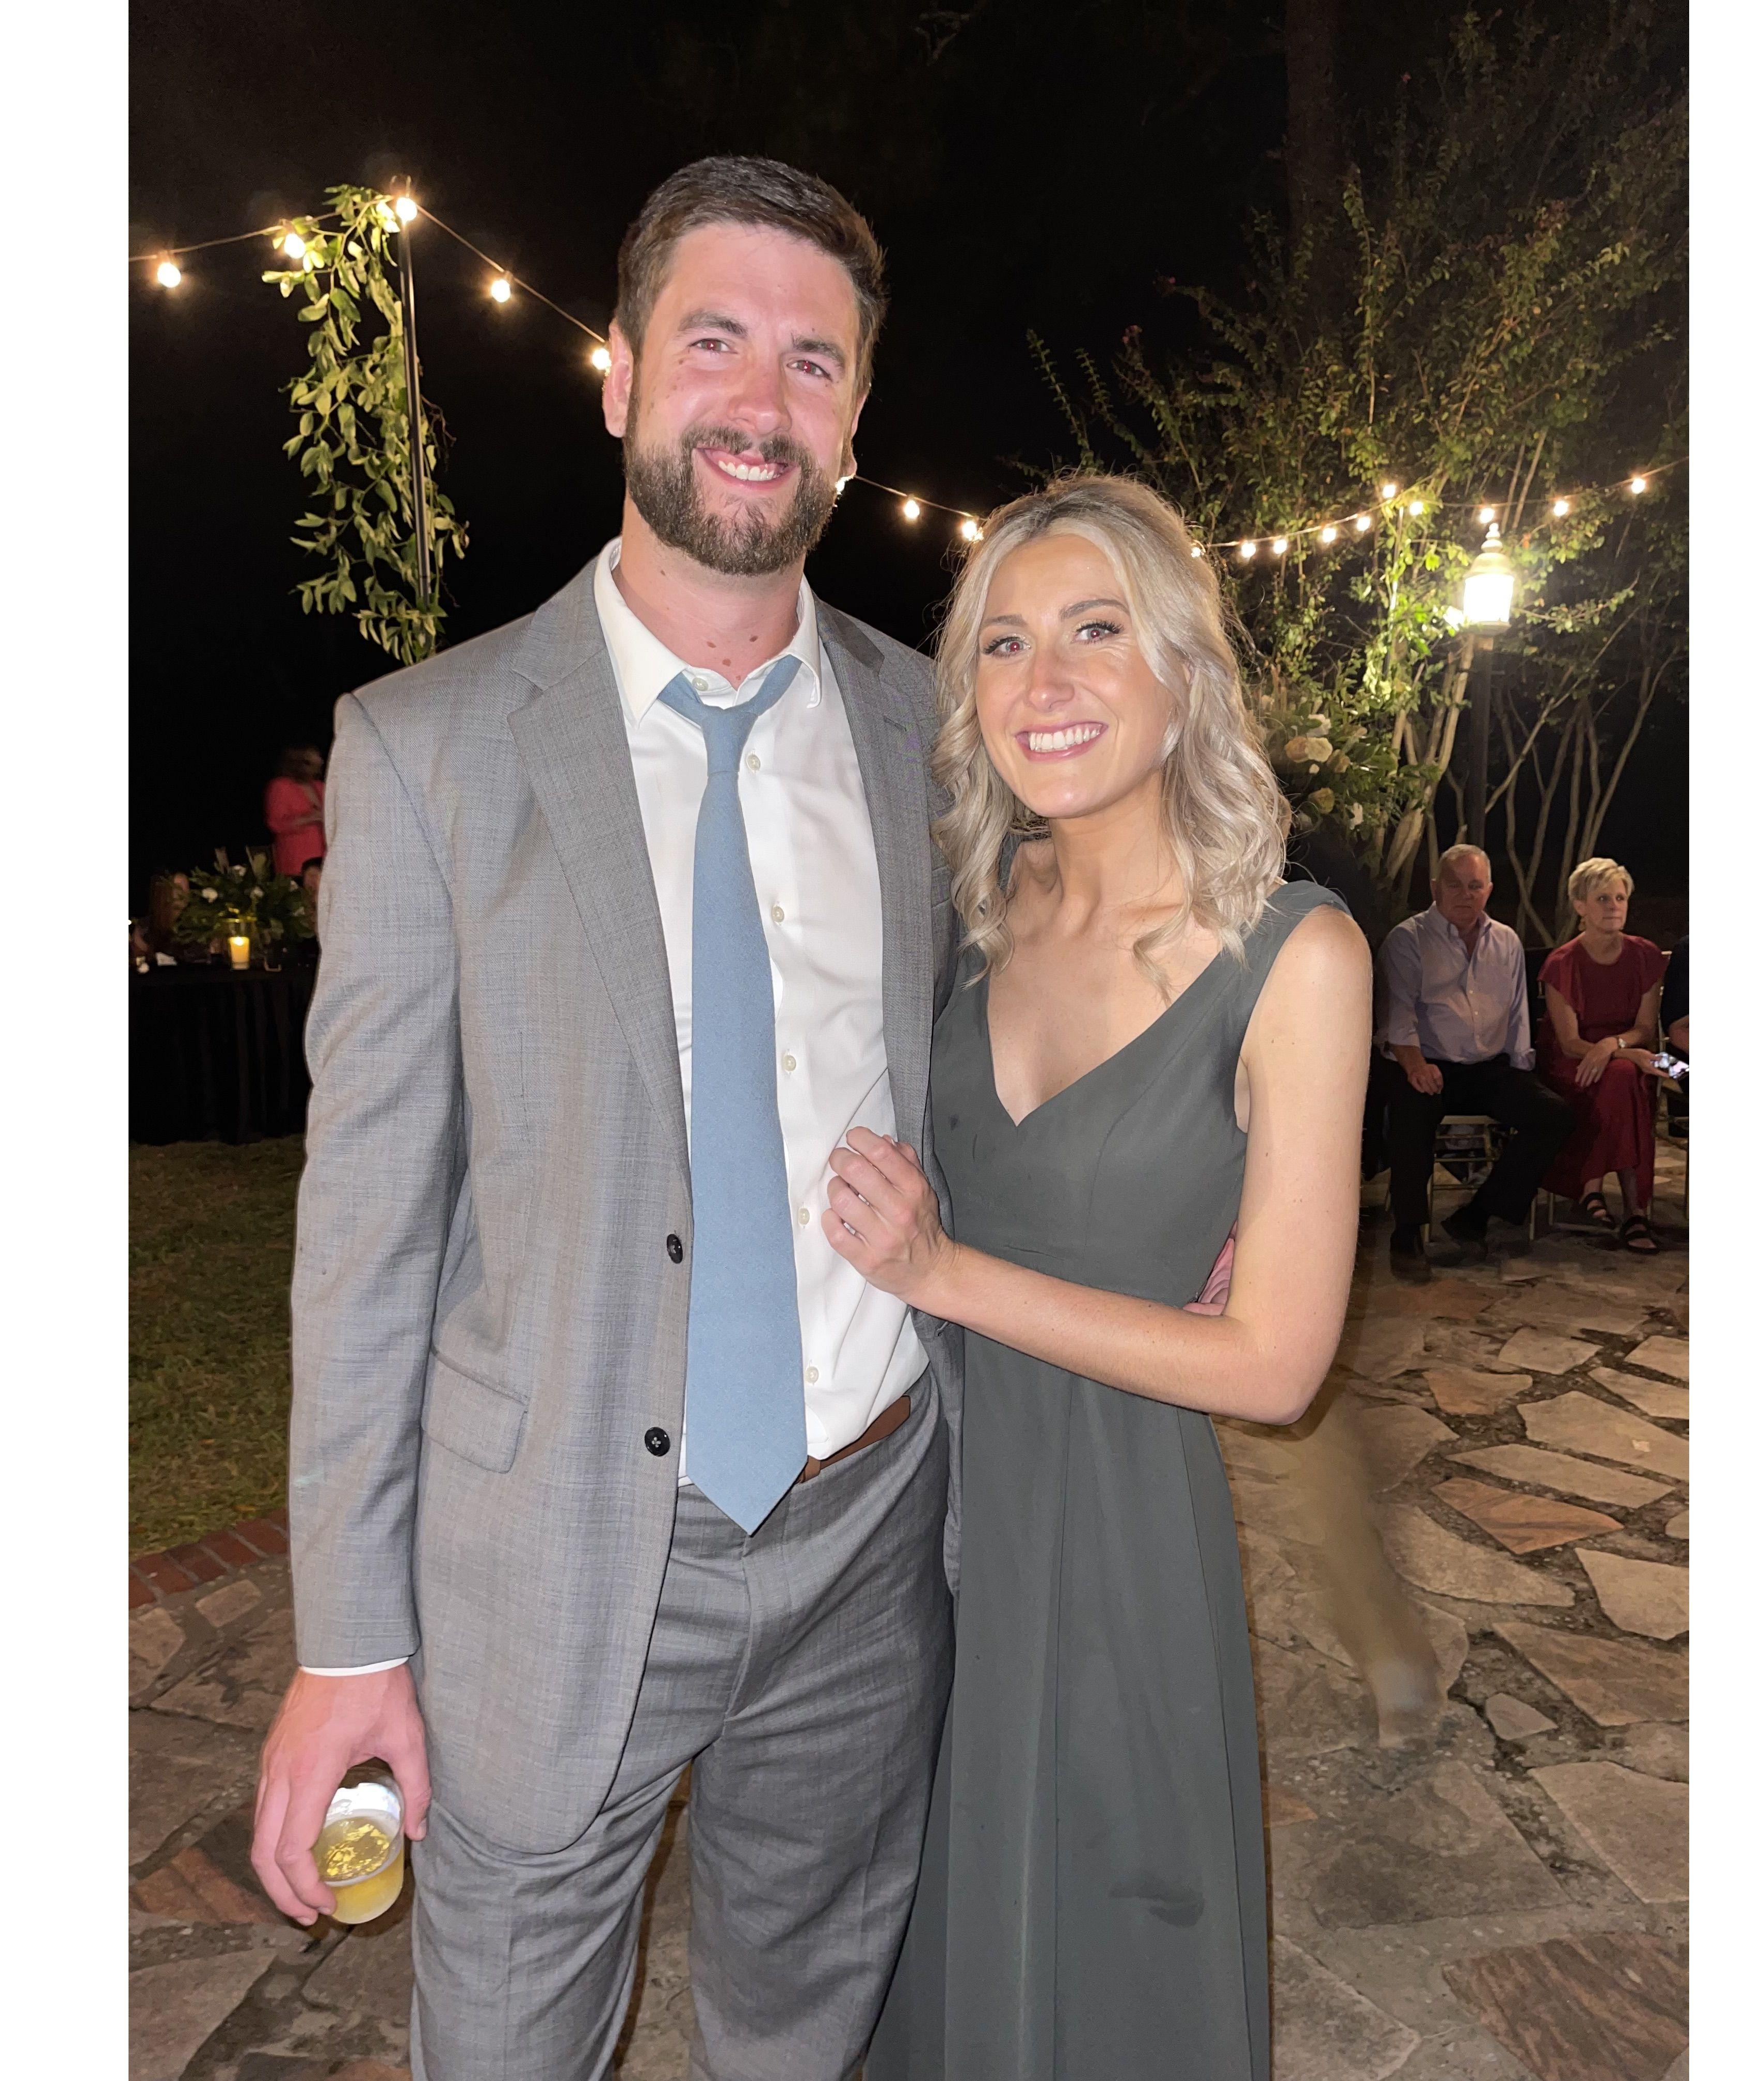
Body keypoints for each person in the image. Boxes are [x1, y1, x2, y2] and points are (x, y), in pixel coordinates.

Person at [252, 158, 964, 2080]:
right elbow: (367, 1230)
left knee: (809, 2035)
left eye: (813, 362)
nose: (761, 400)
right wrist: (347, 1641)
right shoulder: (426, 749)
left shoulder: (933, 736)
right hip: (552, 1546)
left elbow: (1020, 1051)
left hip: (868, 1530)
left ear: (855, 420)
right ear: (621, 375)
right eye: (713, 340)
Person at [828, 476, 1370, 2079]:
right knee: (921, 1944)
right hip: (914, 1525)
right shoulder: (969, 913)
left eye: (1095, 631)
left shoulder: (1295, 954)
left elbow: (1275, 1363)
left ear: (1183, 674)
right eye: (1003, 643)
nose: (1043, 683)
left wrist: (948, 1271)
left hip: (1115, 1536)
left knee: (1112, 1953)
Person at [1373, 843, 1574, 1282]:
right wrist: (1415, 1065)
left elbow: (1519, 1012)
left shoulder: (1507, 941)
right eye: (1455, 885)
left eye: (1475, 886)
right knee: (1410, 1111)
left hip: (1489, 1067)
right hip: (1429, 1064)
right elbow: (1397, 1015)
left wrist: (1523, 1069)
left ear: (1489, 890)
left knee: (1554, 1115)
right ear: (1435, 888)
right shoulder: (1408, 940)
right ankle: (1408, 1233)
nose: (1466, 895)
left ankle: (1476, 1216)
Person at [1538, 857, 1667, 1251]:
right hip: (1573, 1061)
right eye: (1602, 898)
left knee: (1652, 1075)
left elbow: (1645, 1030)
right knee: (1624, 1081)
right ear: (1580, 905)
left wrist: (1615, 1046)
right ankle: (1635, 1211)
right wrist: (1618, 1054)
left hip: (1634, 1053)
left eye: (1620, 898)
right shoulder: (1562, 963)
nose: (1614, 906)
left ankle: (1590, 1187)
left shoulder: (1646, 955)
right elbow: (1568, 1043)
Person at [264, 746, 326, 876]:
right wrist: (310, 818)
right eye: (315, 758)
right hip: (297, 860)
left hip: (324, 859)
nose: (321, 761)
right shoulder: (281, 786)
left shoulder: (320, 787)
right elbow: (276, 824)